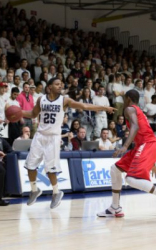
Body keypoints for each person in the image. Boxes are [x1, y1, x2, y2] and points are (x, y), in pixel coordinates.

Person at [21, 77, 115, 209]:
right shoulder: (41, 99)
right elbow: (32, 113)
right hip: (39, 135)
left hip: (53, 137)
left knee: (50, 169)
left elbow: (84, 106)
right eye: (57, 84)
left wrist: (103, 107)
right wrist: (19, 112)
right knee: (30, 166)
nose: (60, 86)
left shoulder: (64, 100)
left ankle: (56, 192)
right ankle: (34, 190)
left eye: (61, 84)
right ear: (49, 87)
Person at [97, 89, 156, 223]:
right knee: (115, 169)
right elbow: (143, 130)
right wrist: (152, 162)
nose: (124, 102)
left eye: (125, 99)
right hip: (144, 146)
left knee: (131, 179)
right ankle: (115, 207)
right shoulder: (138, 110)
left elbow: (135, 127)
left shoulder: (129, 109)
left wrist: (124, 146)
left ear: (128, 99)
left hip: (147, 145)